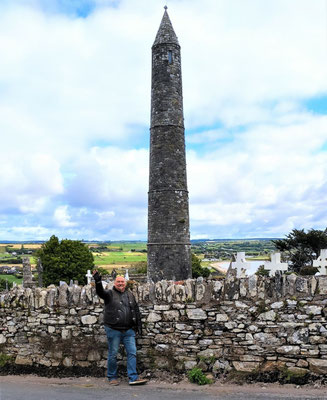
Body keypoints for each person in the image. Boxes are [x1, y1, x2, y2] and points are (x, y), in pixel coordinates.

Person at [93, 270, 147, 386]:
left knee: (132, 352)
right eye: (118, 282)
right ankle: (112, 377)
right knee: (113, 354)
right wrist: (98, 281)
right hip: (113, 329)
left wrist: (138, 327)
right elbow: (100, 292)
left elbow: (136, 311)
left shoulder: (130, 295)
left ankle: (133, 377)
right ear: (114, 283)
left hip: (129, 330)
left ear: (125, 283)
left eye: (122, 282)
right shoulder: (109, 294)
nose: (120, 283)